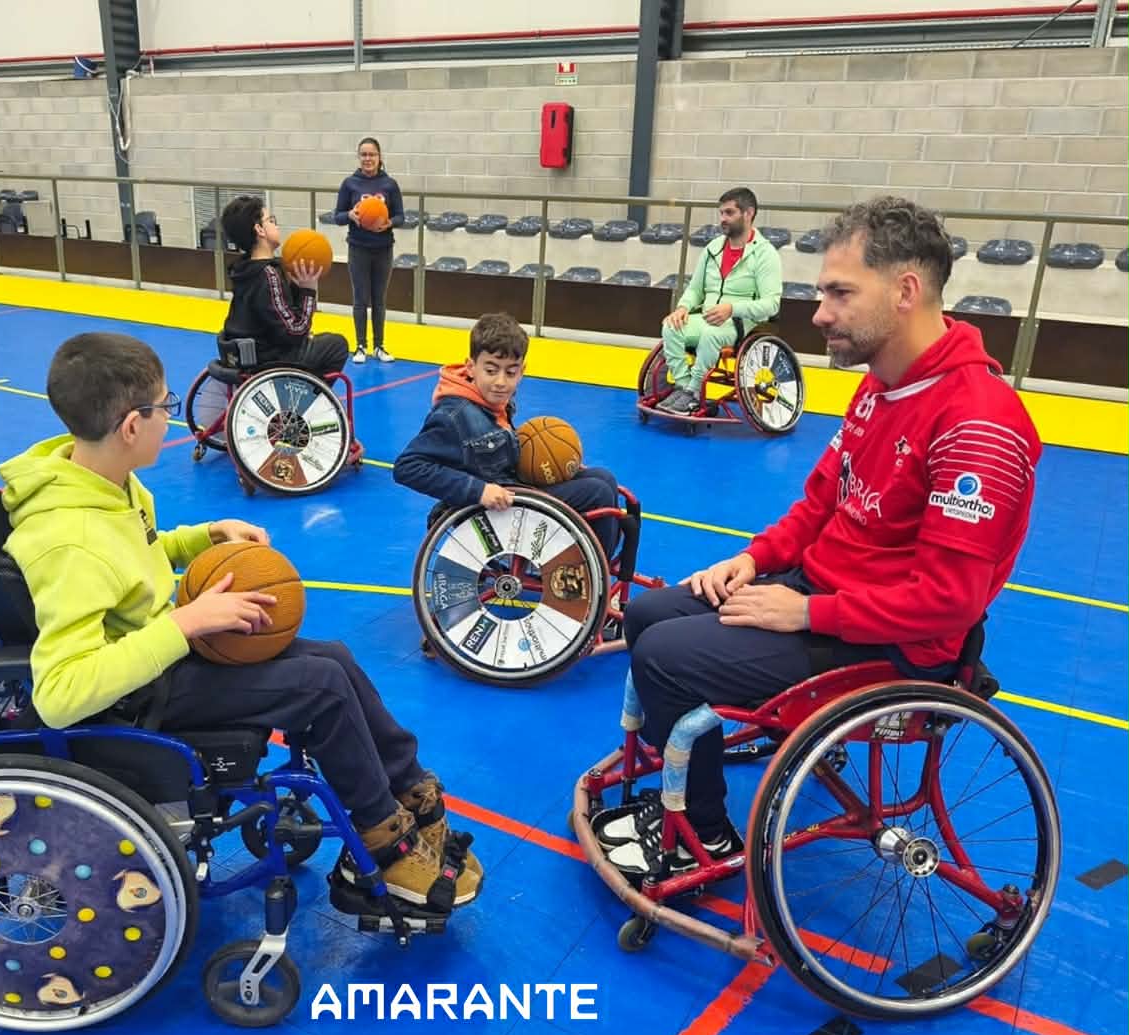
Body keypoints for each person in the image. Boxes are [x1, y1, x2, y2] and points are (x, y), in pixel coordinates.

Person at [597, 196, 1042, 883]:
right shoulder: (878, 391)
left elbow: (947, 603)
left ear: (905, 291)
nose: (819, 312)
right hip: (825, 597)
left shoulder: (977, 423)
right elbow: (815, 508)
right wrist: (752, 560)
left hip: (890, 644)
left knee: (665, 656)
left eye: (839, 293)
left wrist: (805, 612)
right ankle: (693, 768)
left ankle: (704, 835)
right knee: (653, 611)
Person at [0, 331, 480, 912]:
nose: (170, 418)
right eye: (165, 408)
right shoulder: (69, 539)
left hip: (160, 652)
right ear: (131, 426)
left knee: (333, 656)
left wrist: (204, 537)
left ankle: (412, 794)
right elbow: (60, 694)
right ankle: (381, 842)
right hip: (137, 695)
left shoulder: (102, 480)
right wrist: (185, 625)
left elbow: (134, 560)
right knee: (320, 687)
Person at [393, 312, 621, 558]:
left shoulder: (491, 400)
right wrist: (478, 490)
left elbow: (499, 452)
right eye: (491, 371)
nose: (501, 382)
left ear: (522, 371)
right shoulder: (454, 414)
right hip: (496, 508)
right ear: (471, 367)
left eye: (510, 373)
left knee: (604, 478)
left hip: (514, 489)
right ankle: (593, 580)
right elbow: (407, 467)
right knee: (598, 493)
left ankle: (592, 566)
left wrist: (555, 463)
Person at [657, 187, 782, 415]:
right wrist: (683, 308)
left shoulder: (766, 254)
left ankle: (694, 392)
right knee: (670, 327)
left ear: (748, 213)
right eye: (721, 213)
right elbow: (695, 289)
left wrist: (732, 308)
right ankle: (684, 386)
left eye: (729, 213)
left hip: (741, 322)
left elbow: (772, 305)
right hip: (708, 317)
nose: (723, 219)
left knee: (710, 335)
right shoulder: (712, 249)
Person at [219, 194, 348, 378]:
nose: (276, 225)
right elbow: (295, 331)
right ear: (259, 230)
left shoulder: (243, 269)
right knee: (337, 345)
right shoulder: (268, 275)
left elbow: (274, 315)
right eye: (271, 220)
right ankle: (306, 402)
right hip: (269, 360)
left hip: (244, 354)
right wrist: (308, 290)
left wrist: (295, 287)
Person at [333, 137, 403, 364]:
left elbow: (401, 216)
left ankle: (379, 345)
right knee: (360, 298)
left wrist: (389, 223)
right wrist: (350, 215)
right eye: (363, 155)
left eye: (372, 154)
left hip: (383, 248)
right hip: (358, 247)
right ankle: (360, 346)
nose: (368, 159)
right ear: (359, 158)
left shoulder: (390, 185)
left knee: (379, 299)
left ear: (379, 157)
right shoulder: (349, 184)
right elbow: (338, 216)